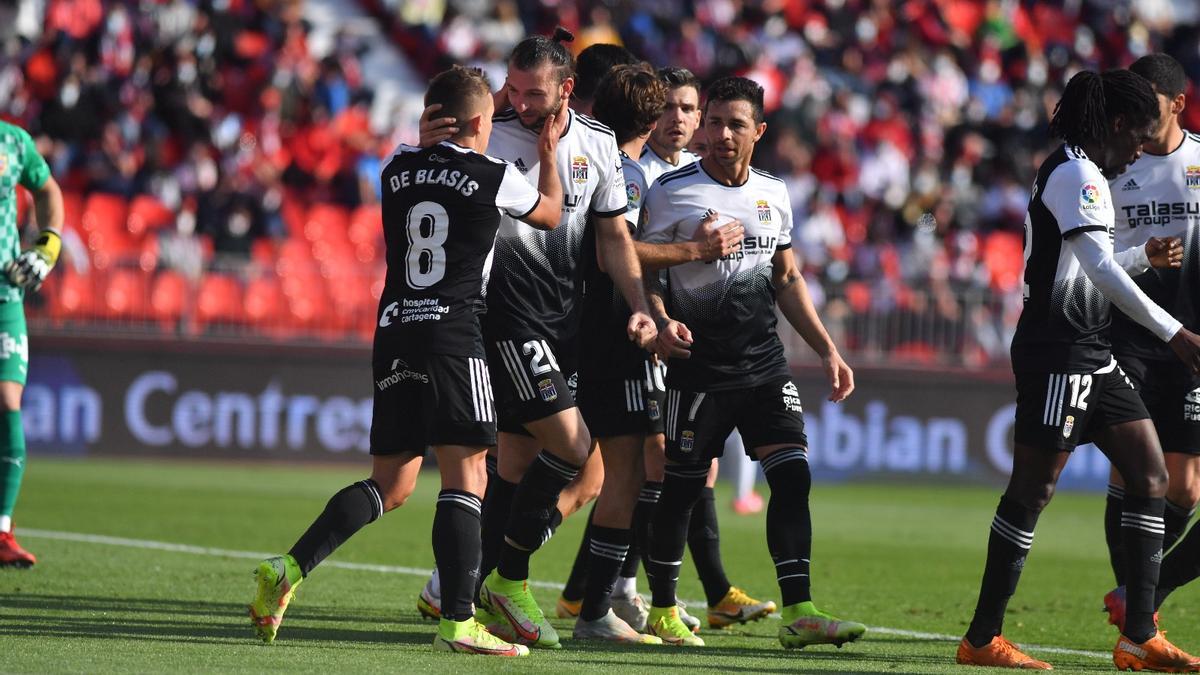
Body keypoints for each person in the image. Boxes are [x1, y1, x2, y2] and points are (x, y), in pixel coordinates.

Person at [247, 66, 565, 657]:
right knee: (468, 476)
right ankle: (459, 622)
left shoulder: (395, 165)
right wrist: (547, 152)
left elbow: (434, 146)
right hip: (454, 334)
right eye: (491, 117)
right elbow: (550, 213)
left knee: (390, 485)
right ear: (478, 123)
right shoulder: (493, 172)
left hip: (395, 330)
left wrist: (443, 127)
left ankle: (287, 570)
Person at [414, 29, 657, 650]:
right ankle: (509, 580)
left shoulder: (599, 145)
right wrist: (429, 138)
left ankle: (463, 592)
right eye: (512, 89)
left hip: (563, 321)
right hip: (502, 317)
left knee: (517, 465)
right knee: (576, 448)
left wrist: (638, 306)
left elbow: (612, 239)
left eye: (533, 93)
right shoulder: (484, 132)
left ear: (568, 90)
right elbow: (420, 170)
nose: (519, 102)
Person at [956, 69, 1200, 671]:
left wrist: (1141, 255)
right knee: (1032, 492)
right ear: (1116, 125)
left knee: (1150, 476)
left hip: (1092, 352)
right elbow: (1095, 270)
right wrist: (1174, 333)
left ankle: (1139, 635)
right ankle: (982, 638)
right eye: (1138, 136)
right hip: (1058, 353)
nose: (1141, 148)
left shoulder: (1079, 169)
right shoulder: (1077, 174)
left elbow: (1083, 260)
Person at [639, 76, 866, 649]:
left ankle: (800, 611)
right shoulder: (670, 191)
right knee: (683, 490)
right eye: (713, 122)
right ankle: (664, 609)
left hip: (765, 366)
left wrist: (827, 350)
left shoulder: (774, 193)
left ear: (758, 132)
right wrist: (661, 321)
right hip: (699, 371)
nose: (719, 134)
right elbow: (640, 268)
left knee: (793, 477)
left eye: (735, 124)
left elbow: (786, 278)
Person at [1102, 53, 1200, 632]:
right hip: (1129, 338)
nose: (1137, 118)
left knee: (1184, 489)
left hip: (1191, 344)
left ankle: (1141, 592)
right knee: (1133, 472)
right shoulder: (1115, 170)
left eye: (1150, 107)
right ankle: (1140, 622)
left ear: (1178, 105)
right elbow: (1094, 258)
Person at [0, 120, 65, 568]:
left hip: (4, 292)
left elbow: (48, 191)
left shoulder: (13, 141)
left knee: (8, 400)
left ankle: (1, 531)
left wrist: (47, 245)